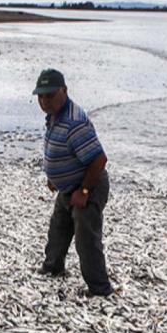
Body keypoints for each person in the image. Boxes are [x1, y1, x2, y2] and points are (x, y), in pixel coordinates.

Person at [33, 68, 113, 297]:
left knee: (86, 240)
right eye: (41, 96)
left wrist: (85, 191)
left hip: (89, 185)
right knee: (58, 227)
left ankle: (100, 289)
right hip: (69, 187)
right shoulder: (55, 115)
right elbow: (60, 150)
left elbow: (99, 159)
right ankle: (52, 268)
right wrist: (54, 176)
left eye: (50, 95)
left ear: (64, 91)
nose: (45, 101)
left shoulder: (74, 121)